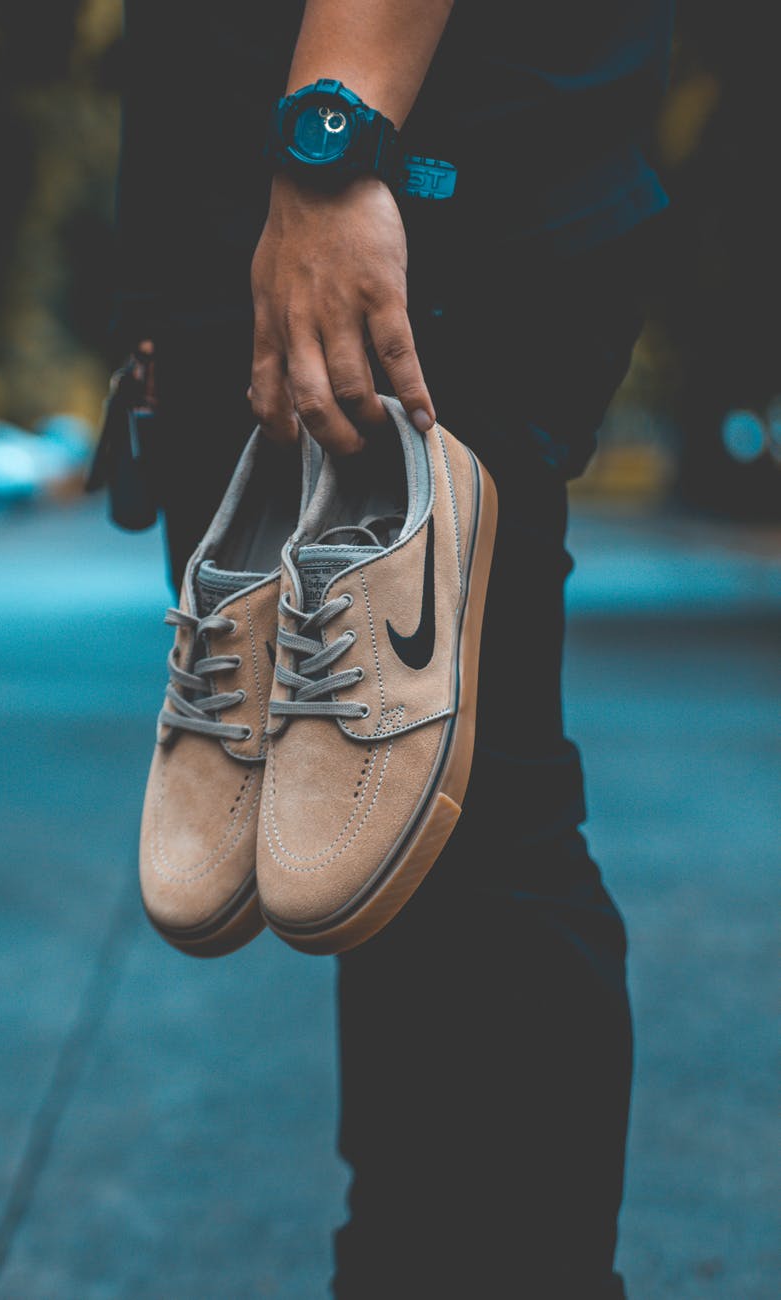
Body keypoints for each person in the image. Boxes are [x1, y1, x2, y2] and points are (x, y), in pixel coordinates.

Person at [111, 2, 675, 1294]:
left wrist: (337, 134)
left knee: (473, 837)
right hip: (252, 200)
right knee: (370, 861)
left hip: (405, 174)